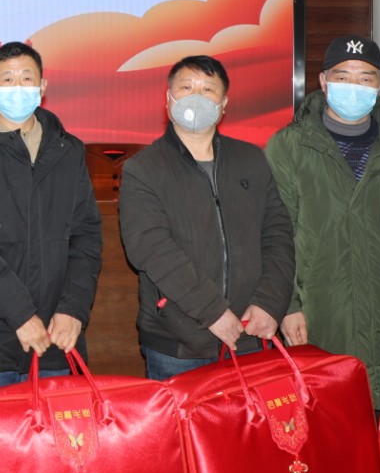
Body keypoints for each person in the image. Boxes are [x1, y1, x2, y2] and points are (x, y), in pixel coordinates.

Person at [264, 34, 380, 409]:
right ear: (323, 81)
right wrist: (288, 306)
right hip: (320, 316)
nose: (354, 86)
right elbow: (276, 236)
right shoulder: (289, 146)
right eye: (343, 76)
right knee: (330, 421)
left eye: (366, 78)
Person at [0, 41, 103, 401]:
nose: (18, 87)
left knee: (60, 436)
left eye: (27, 78)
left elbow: (86, 238)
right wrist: (21, 316)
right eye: (8, 79)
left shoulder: (69, 151)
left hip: (57, 334)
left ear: (42, 86)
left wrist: (73, 310)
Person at [120, 55, 295, 380]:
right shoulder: (143, 169)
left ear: (223, 104)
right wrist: (212, 312)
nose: (196, 97)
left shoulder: (251, 159)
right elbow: (150, 248)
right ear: (168, 99)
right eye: (186, 87)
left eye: (208, 89)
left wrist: (270, 303)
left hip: (250, 333)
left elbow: (277, 235)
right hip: (179, 344)